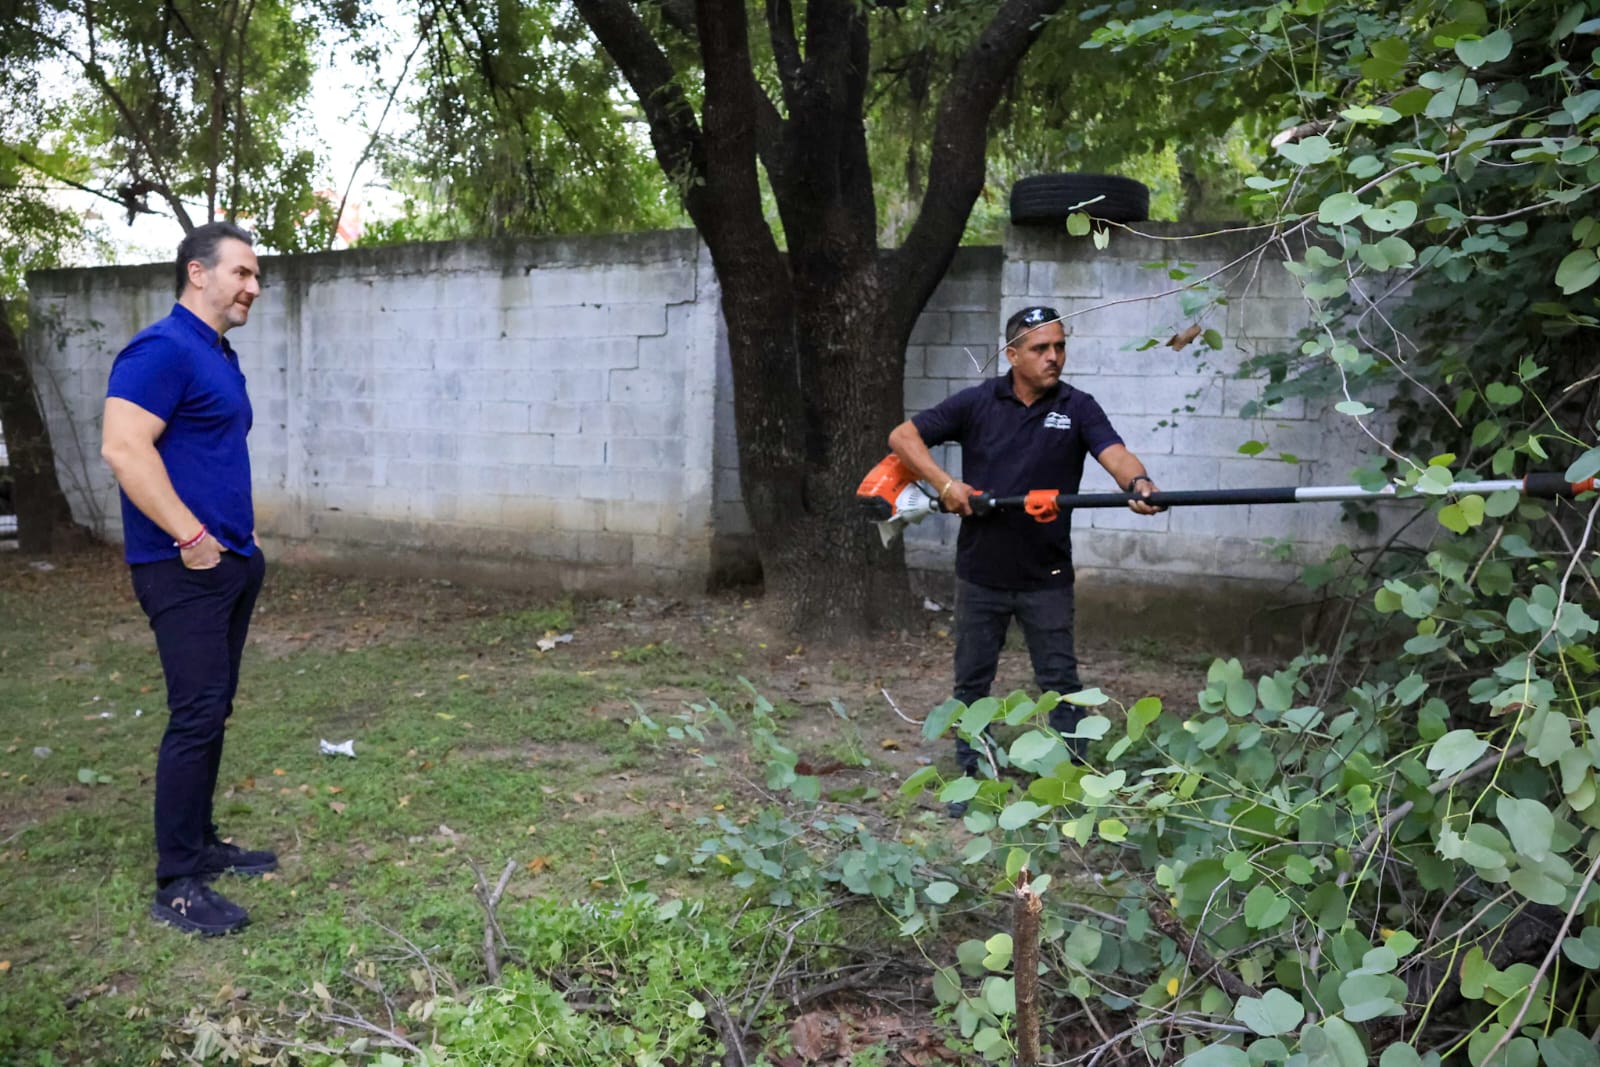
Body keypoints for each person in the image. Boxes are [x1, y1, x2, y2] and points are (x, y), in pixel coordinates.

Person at [888, 305, 1164, 811]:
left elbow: (1116, 453)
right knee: (972, 684)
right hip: (981, 574)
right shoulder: (977, 403)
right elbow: (903, 438)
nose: (1053, 357)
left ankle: (1072, 786)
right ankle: (971, 781)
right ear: (1012, 355)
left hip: (1047, 576)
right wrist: (945, 484)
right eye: (1040, 349)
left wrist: (1138, 483)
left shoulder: (1078, 407)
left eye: (1059, 346)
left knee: (1061, 684)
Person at [100, 221, 276, 935]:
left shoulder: (216, 354)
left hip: (229, 560)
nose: (253, 287)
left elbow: (209, 454)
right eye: (241, 273)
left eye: (256, 276)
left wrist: (240, 538)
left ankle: (200, 842)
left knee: (215, 708)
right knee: (195, 714)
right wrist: (192, 536)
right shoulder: (161, 349)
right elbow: (123, 447)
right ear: (198, 273)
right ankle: (177, 879)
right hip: (182, 567)